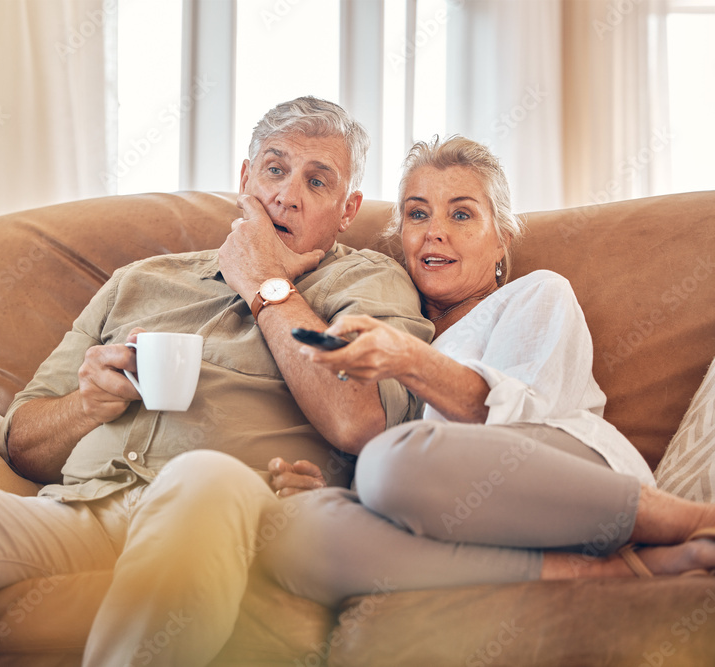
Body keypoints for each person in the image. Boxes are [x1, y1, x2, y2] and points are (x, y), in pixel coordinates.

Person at [0, 97, 434, 666]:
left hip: (228, 507)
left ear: (347, 208)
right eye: (275, 169)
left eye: (317, 182)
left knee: (204, 474)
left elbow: (357, 418)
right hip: (87, 506)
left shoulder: (368, 280)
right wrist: (86, 405)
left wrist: (263, 282)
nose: (286, 196)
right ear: (245, 179)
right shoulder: (140, 280)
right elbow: (19, 443)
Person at [258, 136, 715, 609]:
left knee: (390, 463)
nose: (434, 231)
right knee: (292, 532)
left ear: (502, 239)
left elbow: (519, 421)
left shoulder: (537, 294)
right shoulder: (396, 335)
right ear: (401, 239)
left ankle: (687, 519)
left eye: (461, 214)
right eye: (418, 214)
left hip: (568, 480)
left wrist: (411, 362)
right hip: (460, 513)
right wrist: (328, 485)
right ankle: (601, 573)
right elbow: (416, 481)